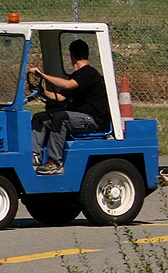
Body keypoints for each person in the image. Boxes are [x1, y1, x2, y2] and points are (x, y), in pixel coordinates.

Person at [30, 38, 111, 175]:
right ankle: (35, 156)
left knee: (60, 117)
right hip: (79, 118)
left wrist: (42, 75)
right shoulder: (77, 75)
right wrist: (41, 91)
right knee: (40, 118)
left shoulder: (89, 73)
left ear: (71, 55)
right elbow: (61, 97)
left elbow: (68, 85)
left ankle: (55, 162)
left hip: (93, 120)